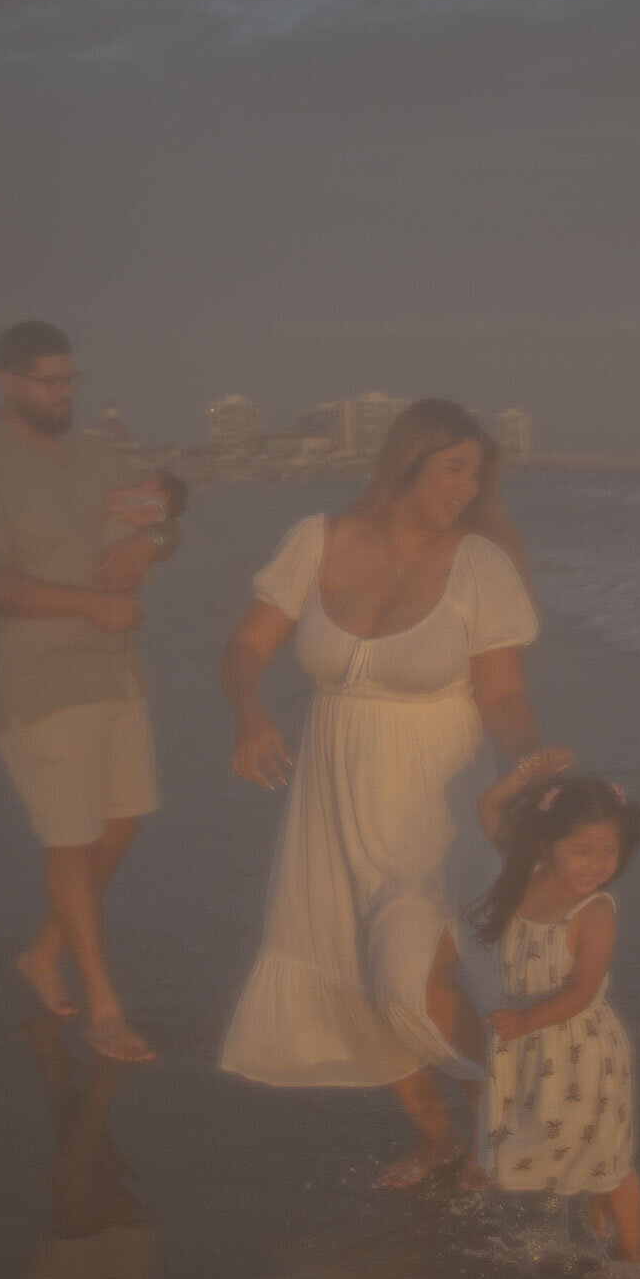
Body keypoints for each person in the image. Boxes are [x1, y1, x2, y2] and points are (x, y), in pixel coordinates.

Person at [219, 398, 542, 1186]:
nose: (468, 487)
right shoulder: (316, 540)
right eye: (454, 468)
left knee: (414, 971)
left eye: (478, 472)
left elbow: (502, 693)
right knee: (359, 971)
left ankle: (500, 1123)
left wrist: (532, 762)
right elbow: (246, 644)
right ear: (407, 464)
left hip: (431, 791)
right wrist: (250, 713)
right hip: (329, 800)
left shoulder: (481, 565)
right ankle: (437, 1138)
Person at [0, 321, 180, 1063]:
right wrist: (87, 604)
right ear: (9, 383)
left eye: (70, 380)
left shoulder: (97, 452)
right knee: (71, 841)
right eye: (49, 381)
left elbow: (150, 523)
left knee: (123, 824)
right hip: (38, 679)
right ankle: (104, 1009)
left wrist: (151, 541)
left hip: (115, 666)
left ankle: (43, 952)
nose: (63, 393)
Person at [471, 753, 640, 1267]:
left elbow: (581, 990)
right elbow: (488, 805)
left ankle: (635, 1249)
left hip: (582, 1049)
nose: (597, 864)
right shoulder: (526, 873)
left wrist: (526, 1021)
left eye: (609, 851)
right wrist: (525, 776)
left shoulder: (594, 911)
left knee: (612, 1160)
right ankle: (595, 1196)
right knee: (568, 1134)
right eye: (582, 850)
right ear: (544, 844)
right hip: (535, 1042)